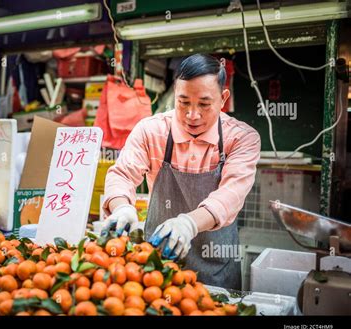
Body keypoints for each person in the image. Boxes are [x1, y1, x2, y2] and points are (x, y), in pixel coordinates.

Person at [102, 54, 261, 289]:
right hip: (156, 265)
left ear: (223, 98)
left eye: (204, 104)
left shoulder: (241, 138)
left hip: (215, 270)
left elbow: (229, 197)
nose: (192, 115)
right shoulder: (151, 131)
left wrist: (188, 224)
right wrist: (122, 207)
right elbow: (122, 175)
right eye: (183, 102)